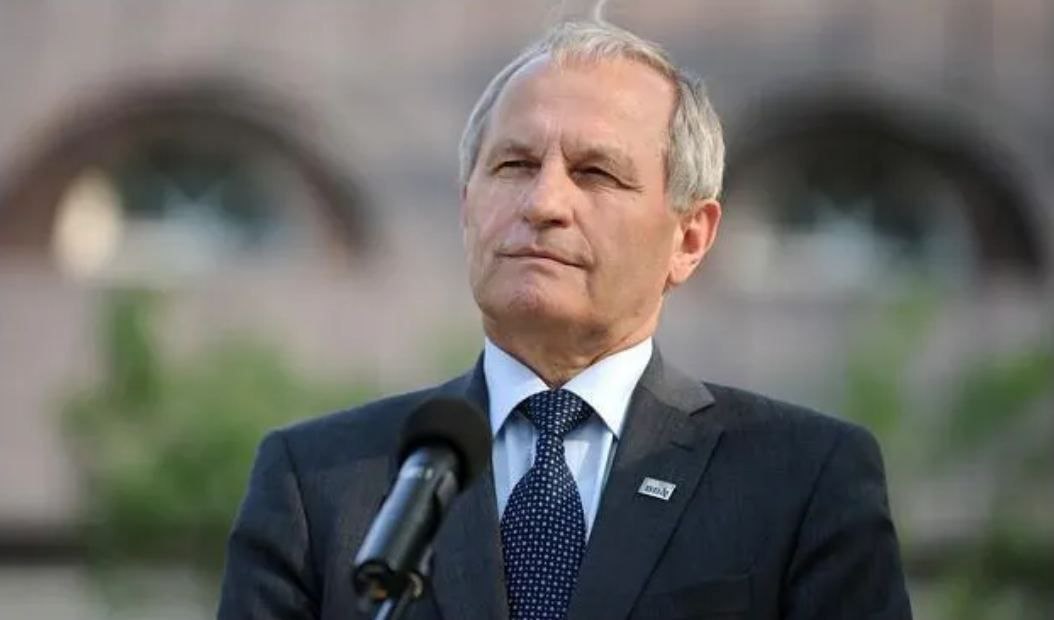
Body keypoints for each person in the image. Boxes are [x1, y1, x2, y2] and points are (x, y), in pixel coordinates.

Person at [218, 20, 912, 620]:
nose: (544, 203)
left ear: (690, 238)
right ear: (467, 207)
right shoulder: (320, 481)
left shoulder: (801, 477)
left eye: (596, 173)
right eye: (515, 165)